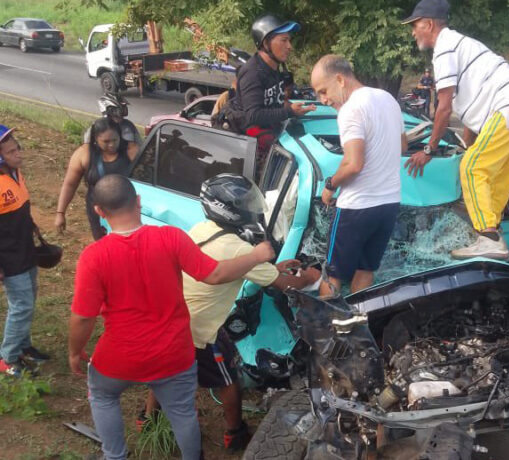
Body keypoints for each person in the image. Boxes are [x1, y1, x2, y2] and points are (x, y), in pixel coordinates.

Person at [68, 174, 275, 460]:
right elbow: (214, 274)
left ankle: (115, 456)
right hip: (174, 354)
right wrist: (255, 256)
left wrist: (75, 352)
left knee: (103, 395)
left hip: (119, 356)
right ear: (138, 202)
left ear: (99, 212)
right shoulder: (171, 237)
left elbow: (82, 318)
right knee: (182, 411)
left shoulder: (93, 256)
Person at [140, 173, 321, 452]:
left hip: (173, 317)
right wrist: (308, 276)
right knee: (229, 380)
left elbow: (256, 270)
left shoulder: (202, 229)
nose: (253, 208)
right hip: (201, 330)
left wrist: (275, 266)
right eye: (247, 203)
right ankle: (235, 433)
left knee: (165, 373)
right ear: (230, 210)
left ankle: (147, 419)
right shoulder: (239, 248)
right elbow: (286, 284)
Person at [402, 0, 509, 260]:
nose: (413, 32)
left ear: (429, 24)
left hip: (506, 106)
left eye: (415, 26)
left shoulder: (444, 48)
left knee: (472, 167)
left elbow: (443, 108)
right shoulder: (461, 44)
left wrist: (429, 149)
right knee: (494, 178)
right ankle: (491, 236)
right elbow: (470, 113)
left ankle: (488, 238)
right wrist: (468, 145)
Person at [311, 55, 405, 296]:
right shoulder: (388, 100)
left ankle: (326, 328)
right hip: (389, 204)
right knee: (365, 270)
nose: (323, 99)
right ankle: (354, 322)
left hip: (357, 208)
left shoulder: (351, 109)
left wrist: (330, 184)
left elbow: (353, 164)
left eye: (323, 90)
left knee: (333, 275)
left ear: (340, 79)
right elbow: (402, 146)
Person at [0, 125, 50, 377]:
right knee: (21, 305)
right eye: (11, 151)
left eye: (17, 147)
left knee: (28, 300)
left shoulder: (16, 174)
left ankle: (23, 346)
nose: (18, 153)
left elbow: (22, 208)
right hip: (9, 257)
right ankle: (7, 357)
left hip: (25, 249)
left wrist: (33, 228)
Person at [227, 14, 316, 151]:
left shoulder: (275, 67)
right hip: (249, 145)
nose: (289, 46)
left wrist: (295, 109)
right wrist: (289, 111)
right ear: (266, 43)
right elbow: (253, 116)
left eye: (289, 41)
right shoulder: (253, 73)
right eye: (284, 40)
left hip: (271, 130)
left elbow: (276, 101)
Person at [56, 118, 137, 240]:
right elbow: (70, 184)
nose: (111, 145)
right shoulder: (84, 154)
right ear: (95, 139)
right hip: (99, 214)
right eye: (106, 141)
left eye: (115, 140)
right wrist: (60, 213)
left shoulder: (130, 151)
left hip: (126, 211)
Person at [83, 94, 141, 158]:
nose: (121, 115)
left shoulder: (128, 126)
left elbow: (139, 147)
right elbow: (86, 149)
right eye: (119, 112)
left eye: (123, 110)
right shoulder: (95, 128)